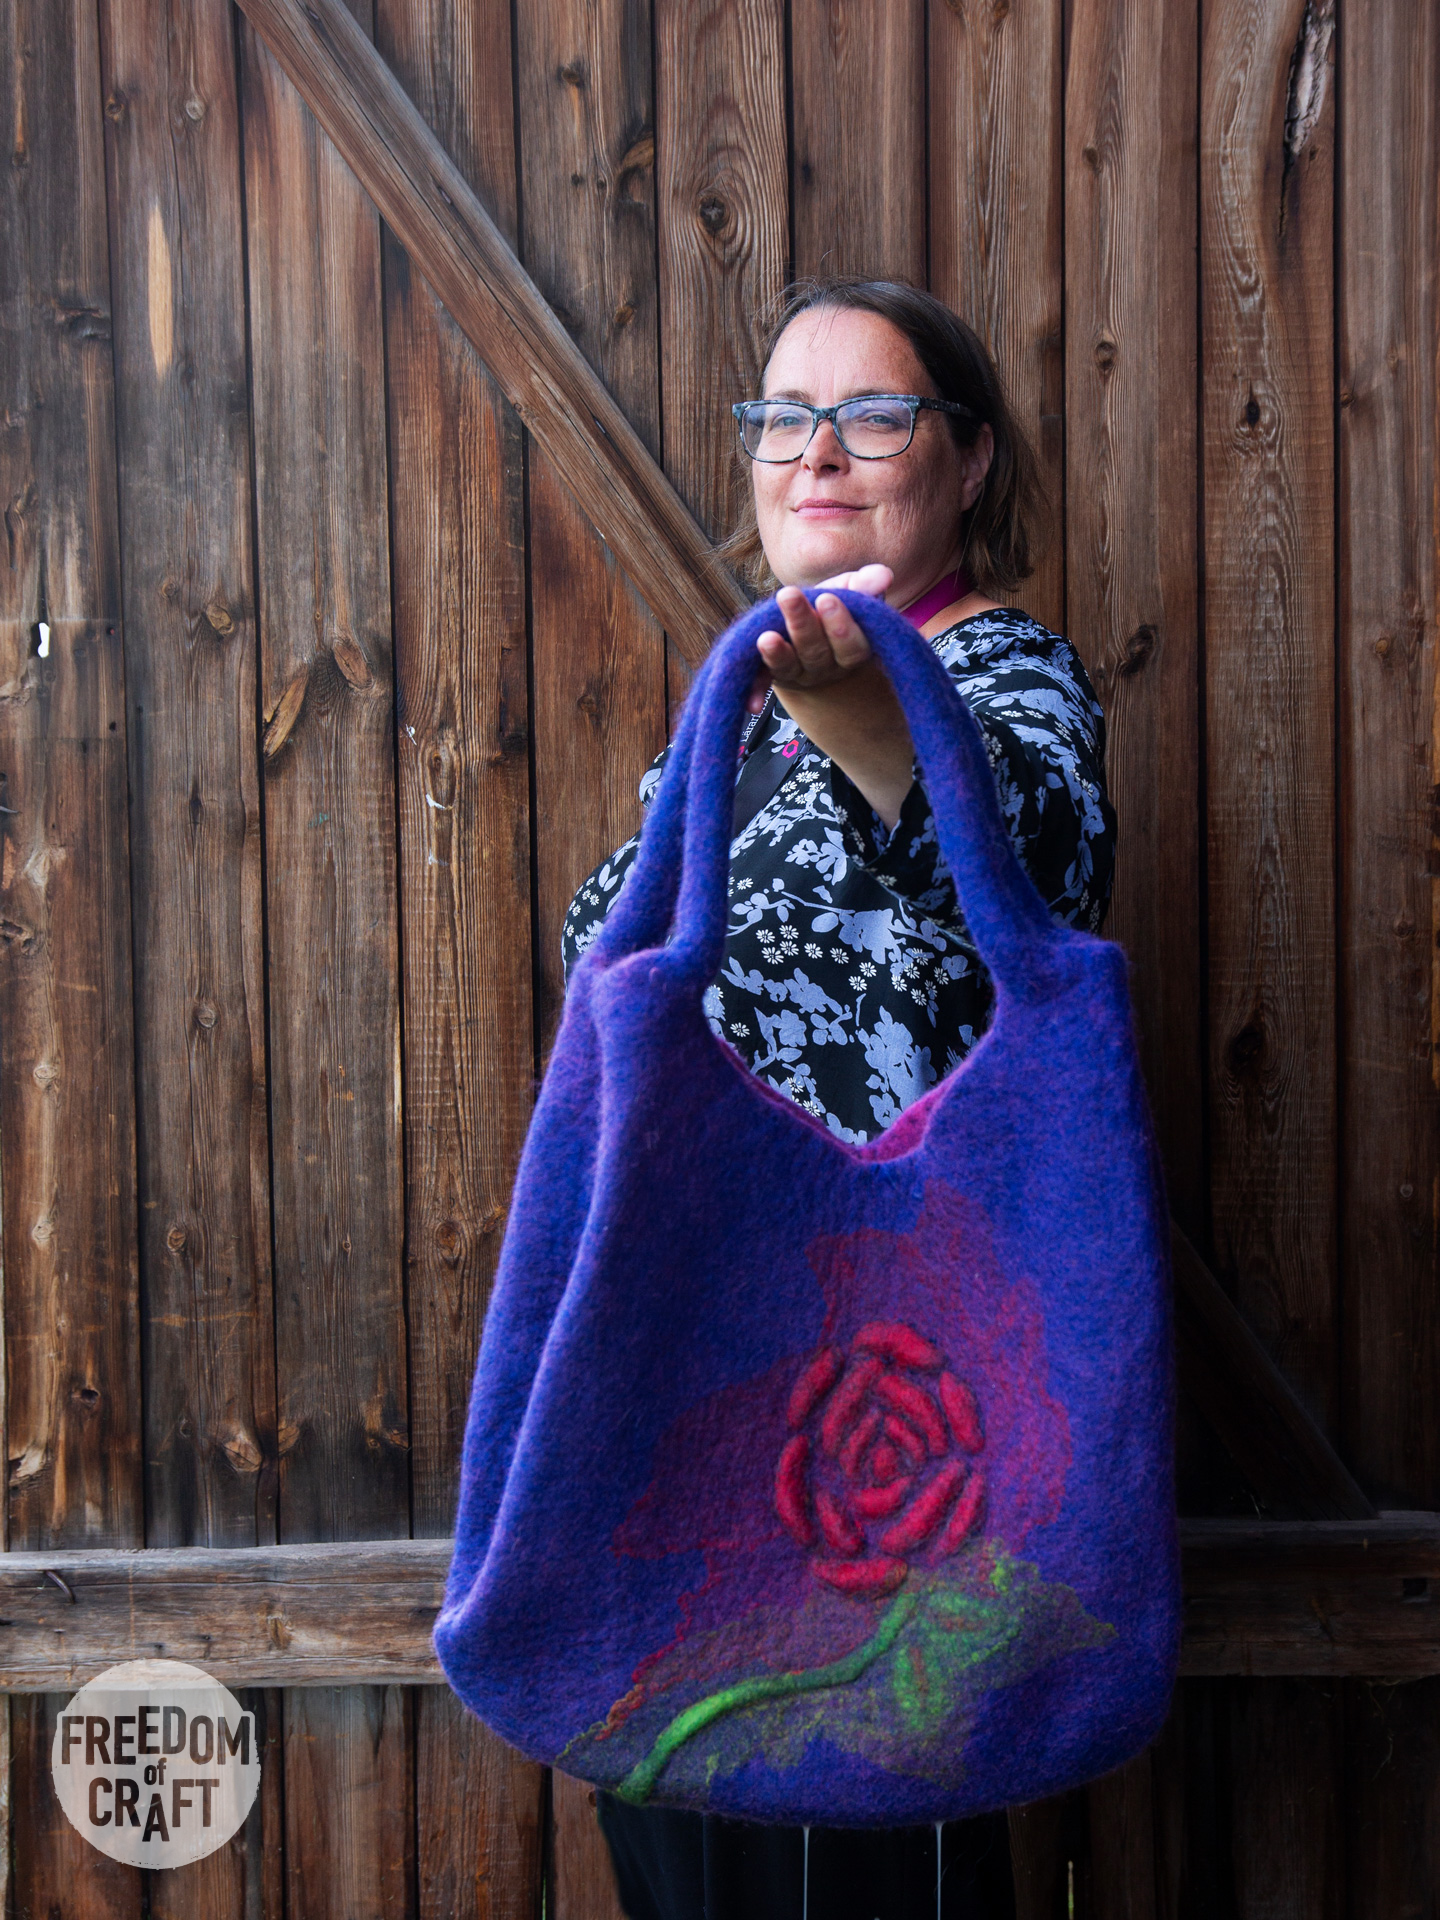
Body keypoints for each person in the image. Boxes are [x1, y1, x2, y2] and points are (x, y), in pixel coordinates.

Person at [560, 278, 1117, 1920]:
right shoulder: (720, 732)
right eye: (781, 418)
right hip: (676, 1387)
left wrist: (867, 709)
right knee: (684, 1851)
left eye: (870, 416)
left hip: (881, 1415)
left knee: (854, 1855)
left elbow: (1019, 847)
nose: (817, 451)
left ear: (967, 463)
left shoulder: (1007, 677)